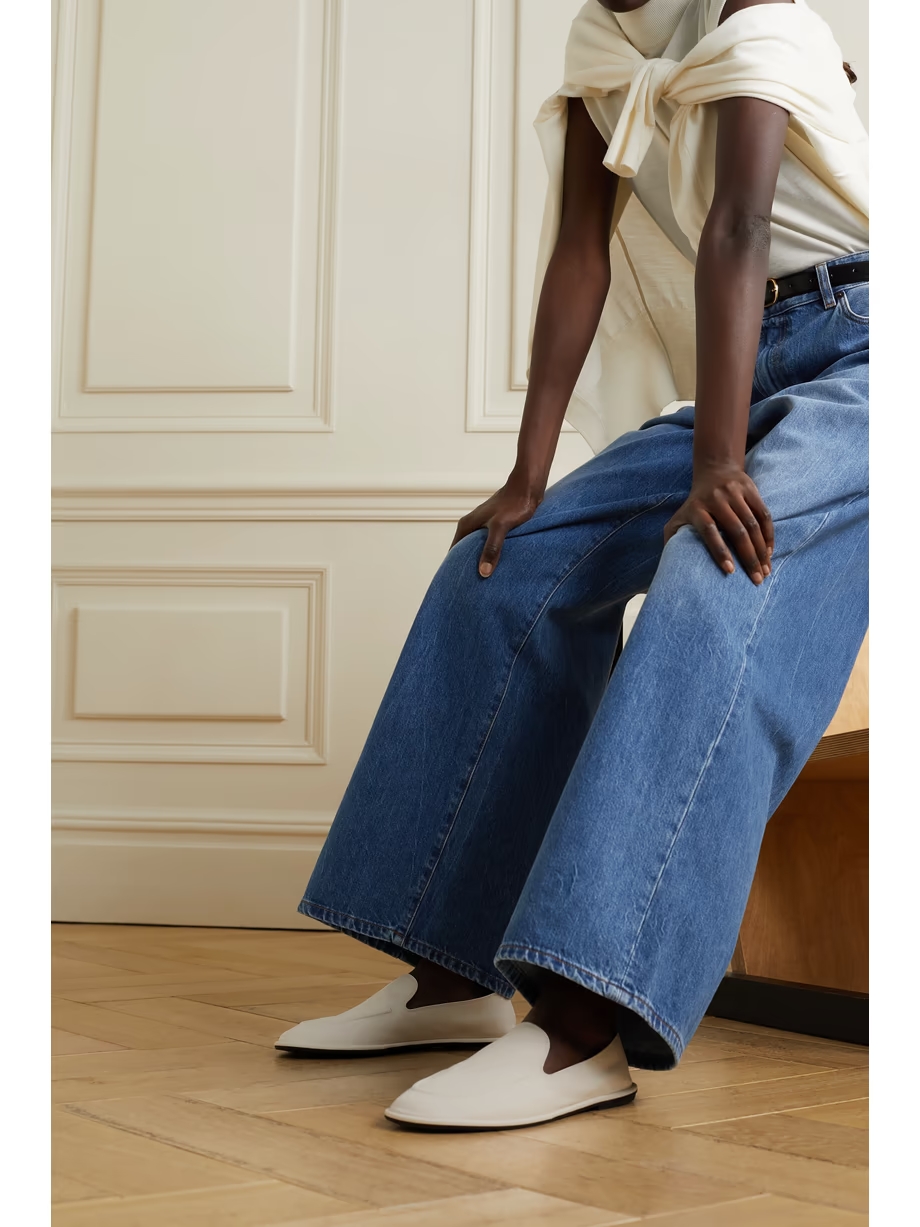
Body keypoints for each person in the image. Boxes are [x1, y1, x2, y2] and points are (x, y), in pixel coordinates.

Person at [276, 0, 869, 1131]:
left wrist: (714, 464)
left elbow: (738, 225)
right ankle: (451, 975)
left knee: (714, 564)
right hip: (753, 351)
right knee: (505, 562)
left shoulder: (752, 12)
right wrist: (527, 474)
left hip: (872, 351)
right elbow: (579, 253)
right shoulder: (603, 46)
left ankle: (581, 1023)